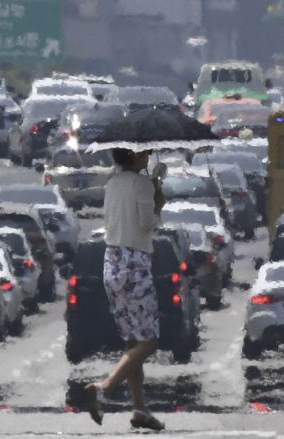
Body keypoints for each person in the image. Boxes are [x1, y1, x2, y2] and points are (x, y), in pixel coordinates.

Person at [84, 148, 166, 431]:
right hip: (134, 264)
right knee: (150, 341)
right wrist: (158, 202)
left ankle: (140, 409)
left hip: (112, 262)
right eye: (144, 152)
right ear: (134, 156)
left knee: (133, 340)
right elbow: (147, 223)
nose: (148, 155)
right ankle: (103, 389)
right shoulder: (141, 183)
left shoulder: (113, 182)